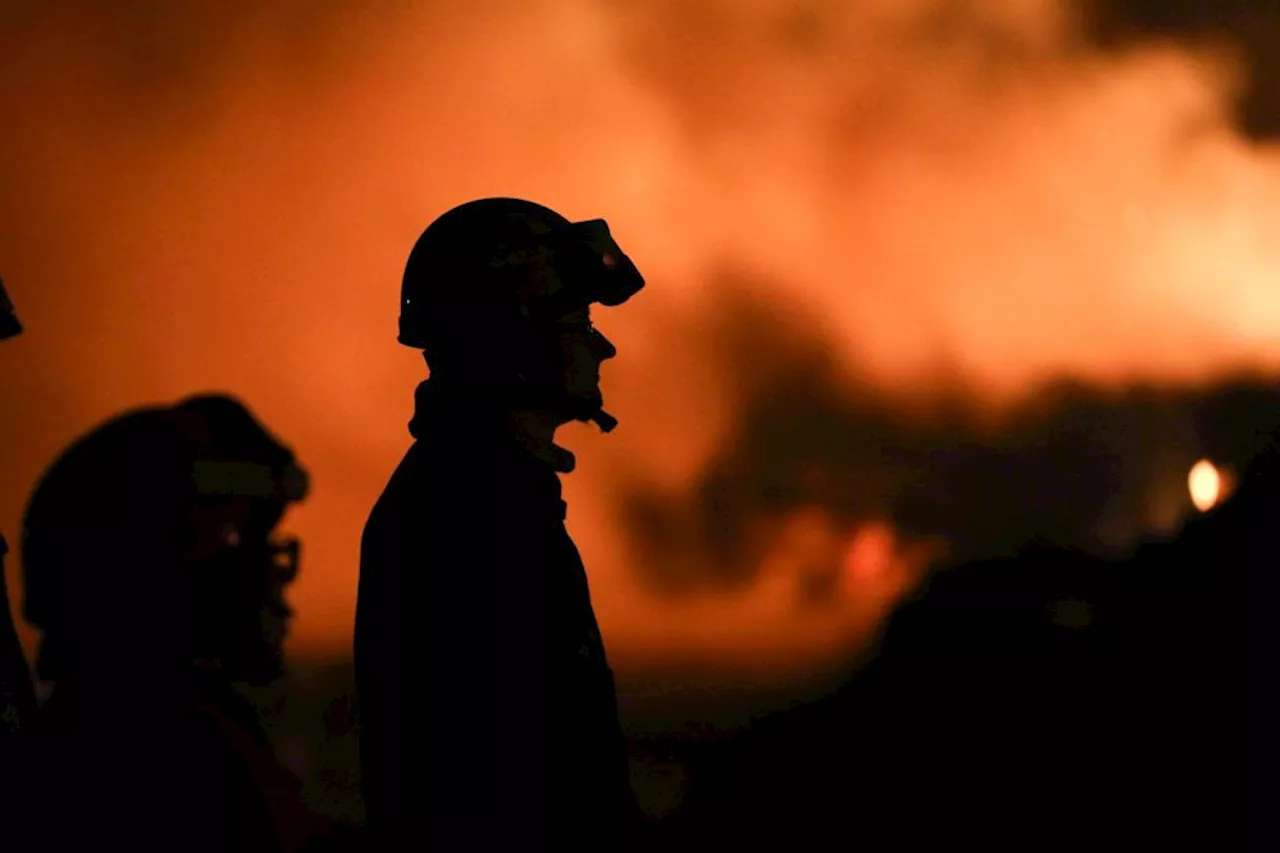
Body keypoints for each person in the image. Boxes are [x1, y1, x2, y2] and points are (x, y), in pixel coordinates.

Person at [355, 197, 645, 850]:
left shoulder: (480, 491)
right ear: (514, 336)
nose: (602, 345)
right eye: (577, 319)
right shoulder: (478, 514)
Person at [17, 393, 319, 852]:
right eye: (240, 539)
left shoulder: (175, 727)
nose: (278, 575)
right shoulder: (159, 758)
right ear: (162, 570)